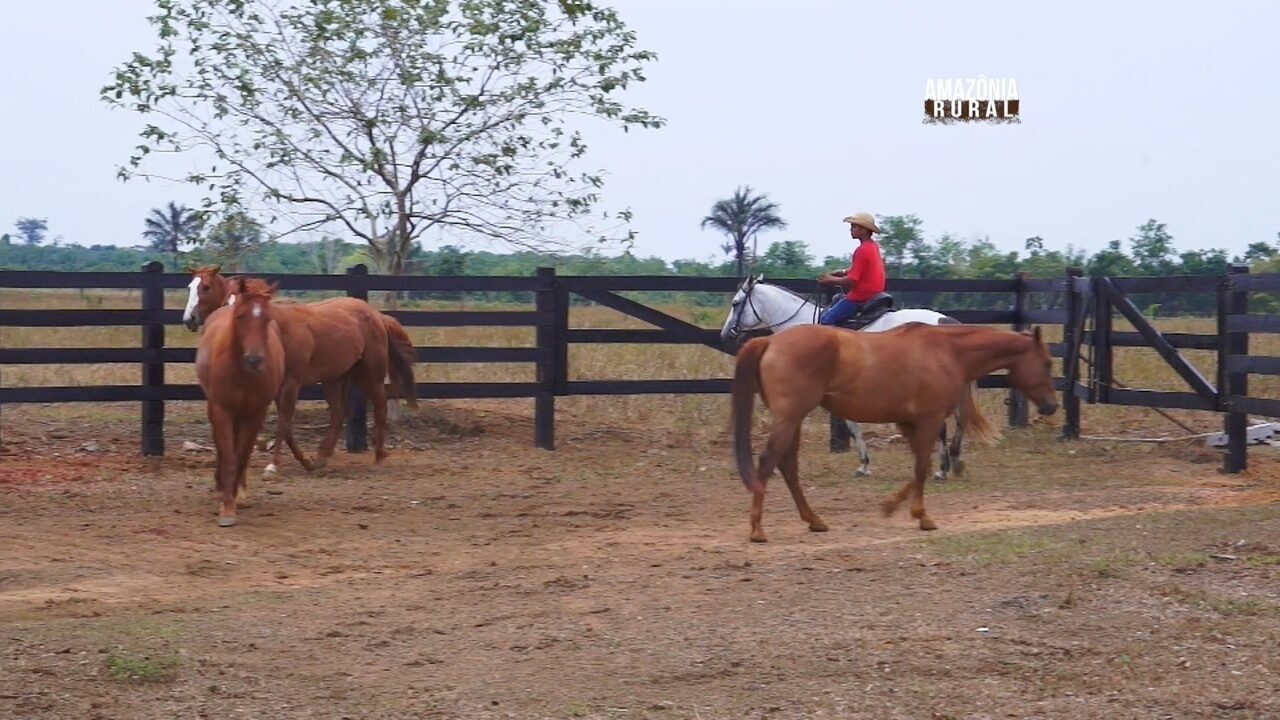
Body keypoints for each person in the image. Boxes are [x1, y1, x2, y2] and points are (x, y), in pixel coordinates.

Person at [817, 212, 886, 325]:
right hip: (874, 293)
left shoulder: (862, 250)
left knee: (825, 321)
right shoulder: (873, 246)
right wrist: (842, 272)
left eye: (854, 226)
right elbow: (864, 271)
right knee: (837, 299)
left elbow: (851, 280)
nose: (851, 229)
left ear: (864, 230)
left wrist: (830, 280)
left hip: (861, 296)